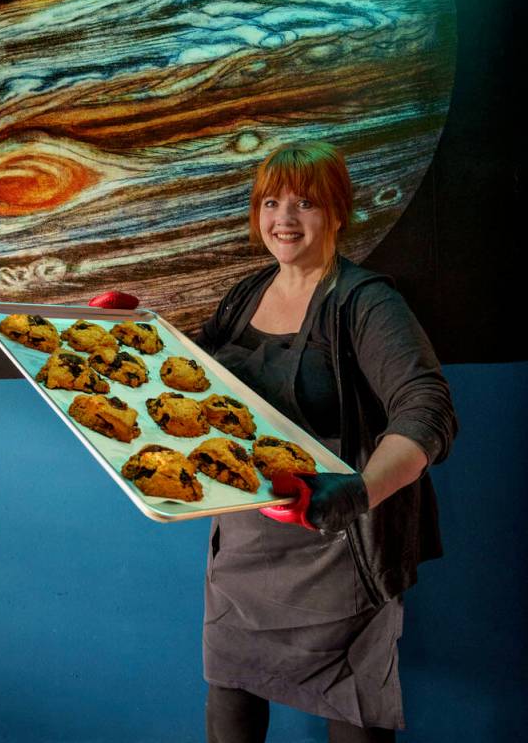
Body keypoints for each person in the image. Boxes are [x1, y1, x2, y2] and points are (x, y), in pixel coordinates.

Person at [195, 140, 457, 743]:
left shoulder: (366, 303)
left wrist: (357, 493)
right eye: (271, 203)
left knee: (354, 720)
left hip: (339, 554)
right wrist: (129, 333)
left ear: (339, 212)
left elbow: (427, 409)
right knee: (229, 710)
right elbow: (194, 388)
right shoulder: (243, 296)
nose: (284, 220)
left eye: (305, 203)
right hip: (242, 551)